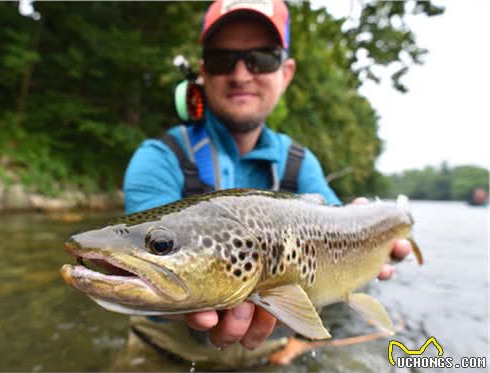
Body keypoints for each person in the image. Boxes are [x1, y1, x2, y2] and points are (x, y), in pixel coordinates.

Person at [120, 0, 412, 368]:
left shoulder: (301, 164)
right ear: (203, 70)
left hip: (270, 354)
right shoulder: (158, 158)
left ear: (286, 72)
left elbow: (341, 228)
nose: (241, 73)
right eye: (223, 58)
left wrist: (370, 235)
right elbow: (148, 268)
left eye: (262, 58)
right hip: (164, 351)